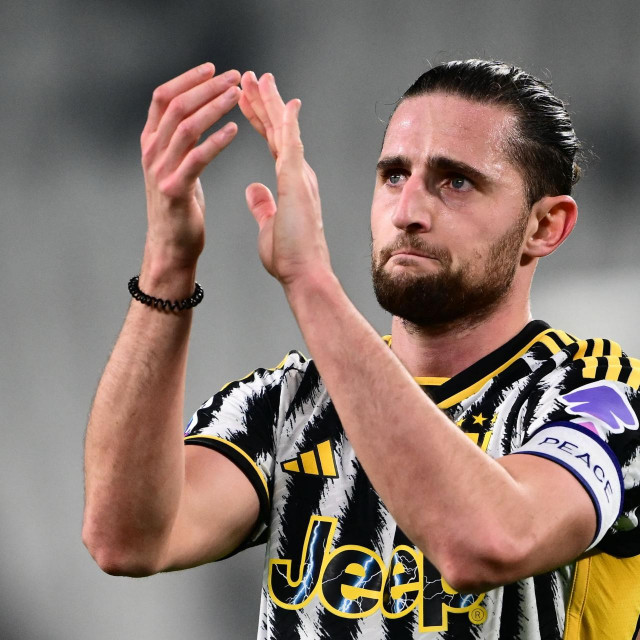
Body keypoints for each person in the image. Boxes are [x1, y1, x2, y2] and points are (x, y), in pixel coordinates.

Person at [82, 59, 640, 639]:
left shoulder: (599, 395)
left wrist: (310, 281)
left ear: (545, 226)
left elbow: (488, 543)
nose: (408, 213)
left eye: (457, 182)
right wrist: (167, 265)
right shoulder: (289, 402)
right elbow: (126, 538)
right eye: (395, 176)